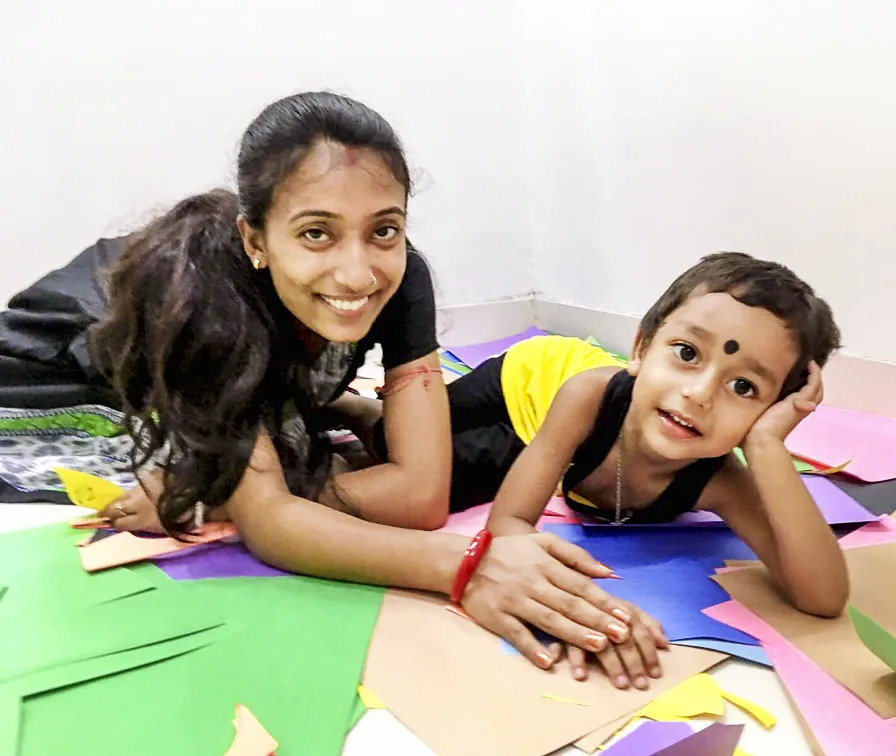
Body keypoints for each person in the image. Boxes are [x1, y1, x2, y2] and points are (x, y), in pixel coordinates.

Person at [0, 92, 639, 671]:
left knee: (275, 464)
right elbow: (276, 523)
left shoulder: (402, 276)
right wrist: (467, 565)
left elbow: (420, 498)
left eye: (383, 229)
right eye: (316, 233)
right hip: (63, 388)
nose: (358, 272)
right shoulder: (204, 298)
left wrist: (243, 494)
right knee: (160, 491)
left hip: (215, 366)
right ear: (256, 238)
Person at [366, 252, 848, 690]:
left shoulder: (720, 481)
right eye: (686, 353)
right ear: (641, 349)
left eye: (743, 386)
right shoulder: (589, 397)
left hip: (532, 439)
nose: (700, 393)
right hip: (529, 379)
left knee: (458, 476)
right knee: (397, 439)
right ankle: (357, 409)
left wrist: (767, 446)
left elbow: (823, 598)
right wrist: (579, 608)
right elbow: (508, 524)